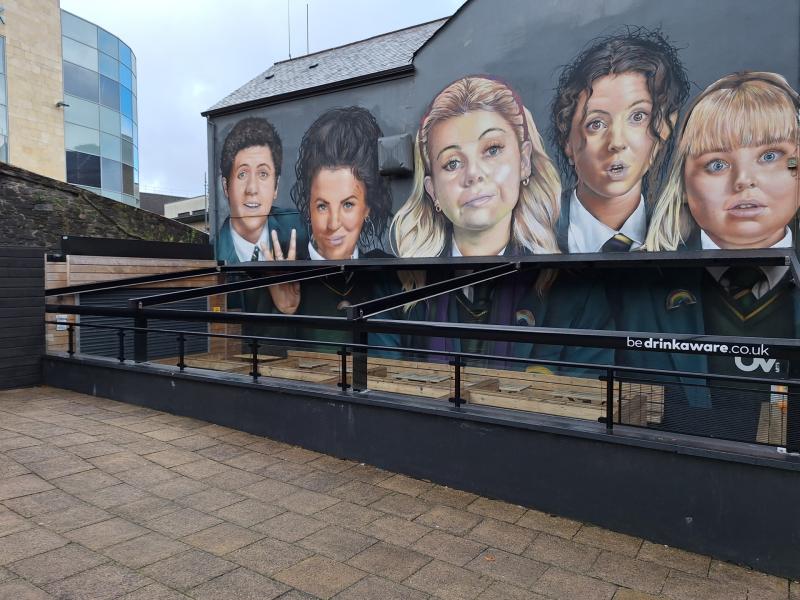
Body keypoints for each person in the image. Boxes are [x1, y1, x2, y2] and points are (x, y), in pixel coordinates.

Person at [619, 72, 800, 440]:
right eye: (716, 164)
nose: (744, 180)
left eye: (770, 155)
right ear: (683, 184)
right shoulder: (636, 290)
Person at [391, 76, 610, 363]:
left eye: (492, 150)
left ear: (524, 161)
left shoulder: (577, 295)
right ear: (433, 191)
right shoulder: (404, 294)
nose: (473, 174)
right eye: (452, 163)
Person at [550, 28, 690, 254]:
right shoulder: (530, 235)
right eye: (596, 124)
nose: (616, 142)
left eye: (638, 117)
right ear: (568, 141)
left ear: (664, 129)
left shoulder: (688, 236)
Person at [270, 106, 398, 350]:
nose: (333, 224)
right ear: (307, 205)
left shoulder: (387, 275)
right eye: (322, 206)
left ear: (367, 207)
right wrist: (285, 313)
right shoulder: (282, 276)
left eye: (348, 204)